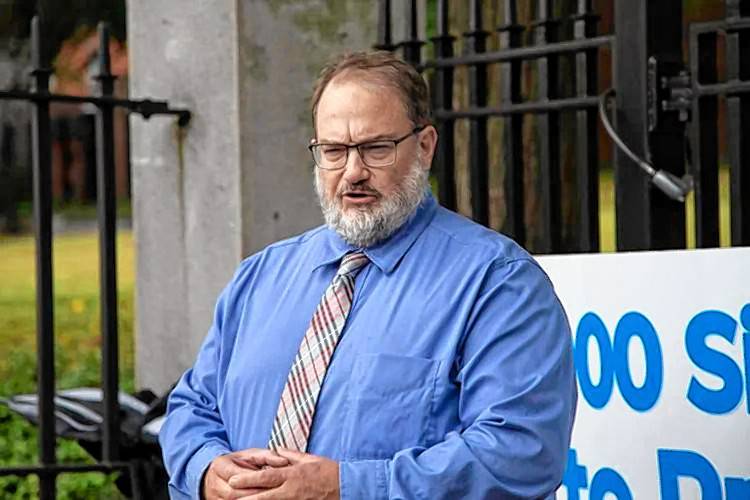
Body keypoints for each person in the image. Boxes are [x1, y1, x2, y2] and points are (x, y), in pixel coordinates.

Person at [160, 50, 577, 500]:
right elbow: (192, 407)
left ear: (425, 146)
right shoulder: (260, 277)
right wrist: (205, 469)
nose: (353, 172)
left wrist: (344, 488)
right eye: (334, 151)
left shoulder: (497, 284)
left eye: (376, 148)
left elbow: (519, 453)